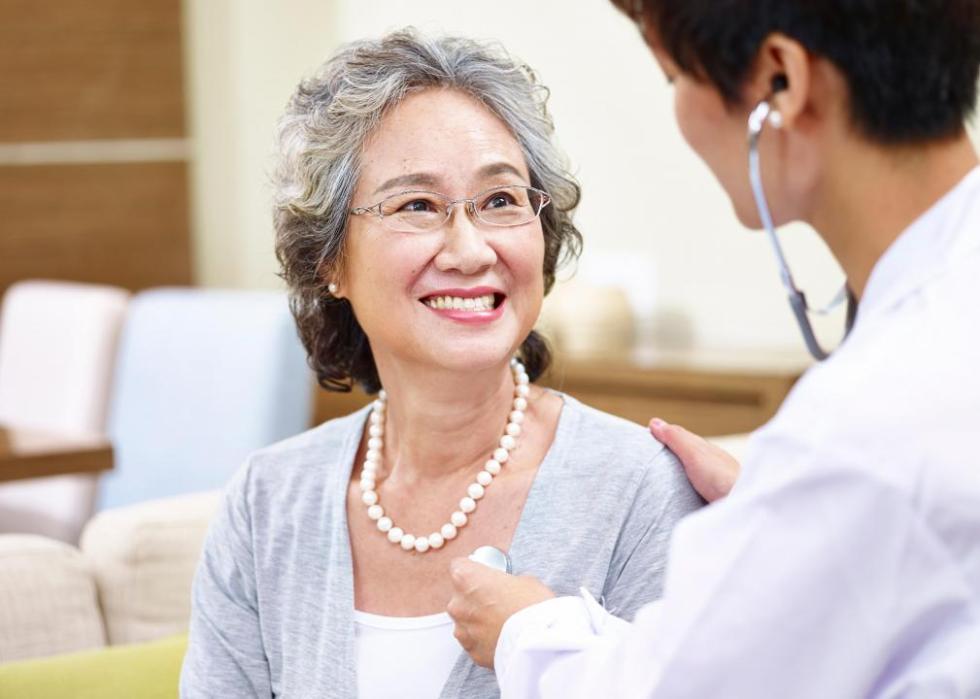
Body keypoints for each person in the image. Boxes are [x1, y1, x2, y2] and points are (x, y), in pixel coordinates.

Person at [447, 1, 980, 696]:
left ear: (780, 79)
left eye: (675, 80)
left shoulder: (868, 423)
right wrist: (785, 512)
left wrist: (527, 631)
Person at [179, 29, 703, 699]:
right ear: (330, 260)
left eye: (500, 201)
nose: (469, 248)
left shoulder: (642, 491)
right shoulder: (266, 503)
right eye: (418, 205)